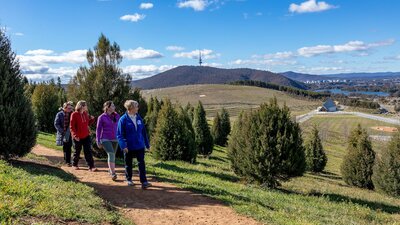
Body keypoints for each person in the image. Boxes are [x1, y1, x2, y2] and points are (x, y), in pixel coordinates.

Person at [117, 100, 152, 188]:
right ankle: (129, 179)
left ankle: (144, 181)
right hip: (129, 146)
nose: (138, 108)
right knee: (128, 164)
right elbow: (119, 134)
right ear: (131, 108)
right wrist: (123, 146)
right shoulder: (123, 119)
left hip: (140, 145)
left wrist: (147, 145)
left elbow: (144, 132)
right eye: (136, 106)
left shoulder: (139, 118)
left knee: (141, 163)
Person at [96, 101, 120, 180]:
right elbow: (98, 129)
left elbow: (119, 127)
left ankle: (110, 170)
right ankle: (113, 173)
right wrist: (98, 141)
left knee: (112, 155)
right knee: (111, 154)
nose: (114, 107)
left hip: (115, 139)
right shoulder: (102, 117)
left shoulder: (117, 116)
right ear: (108, 107)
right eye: (112, 106)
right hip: (105, 138)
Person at [70, 100, 97, 171]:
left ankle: (91, 166)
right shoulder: (74, 114)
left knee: (88, 151)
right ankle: (74, 164)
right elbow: (72, 127)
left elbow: (87, 123)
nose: (87, 107)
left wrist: (92, 119)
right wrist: (75, 136)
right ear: (81, 106)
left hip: (86, 135)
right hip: (77, 137)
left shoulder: (85, 113)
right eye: (85, 105)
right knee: (77, 151)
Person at [54, 101, 74, 166]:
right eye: (68, 108)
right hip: (63, 133)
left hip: (70, 133)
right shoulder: (59, 114)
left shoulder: (72, 114)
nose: (70, 110)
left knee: (69, 146)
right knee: (65, 146)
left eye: (71, 108)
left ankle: (68, 161)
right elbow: (56, 124)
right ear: (64, 108)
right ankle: (67, 160)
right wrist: (62, 131)